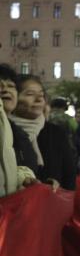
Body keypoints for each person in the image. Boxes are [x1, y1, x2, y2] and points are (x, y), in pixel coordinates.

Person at [10, 75, 76, 190]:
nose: (39, 99)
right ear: (14, 96)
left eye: (41, 95)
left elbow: (69, 175)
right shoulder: (6, 131)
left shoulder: (56, 133)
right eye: (30, 94)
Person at [0, 64, 37, 194]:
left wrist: (26, 178)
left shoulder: (19, 133)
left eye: (11, 86)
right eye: (0, 85)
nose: (5, 90)